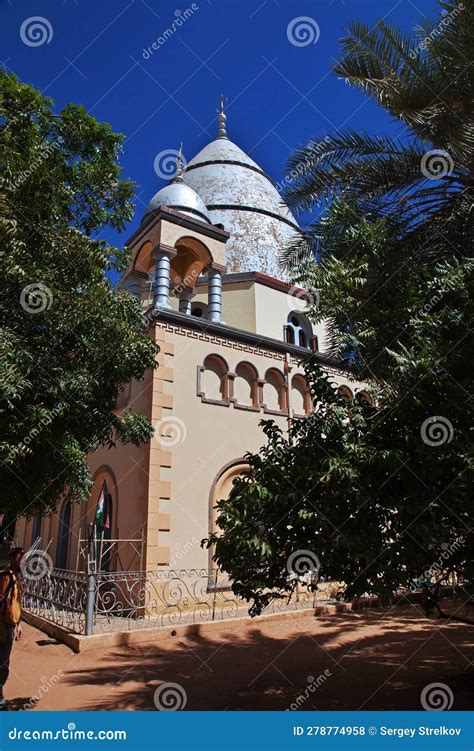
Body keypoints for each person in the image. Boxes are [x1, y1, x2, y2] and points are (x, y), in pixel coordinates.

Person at [0, 547, 24, 708]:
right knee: (2, 660)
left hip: (11, 623)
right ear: (14, 559)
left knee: (4, 660)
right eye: (21, 558)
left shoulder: (17, 578)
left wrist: (19, 623)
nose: (23, 561)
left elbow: (17, 603)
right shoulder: (6, 577)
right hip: (3, 623)